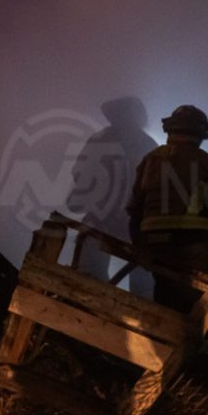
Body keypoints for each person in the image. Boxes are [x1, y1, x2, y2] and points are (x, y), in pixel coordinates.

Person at [127, 105, 208, 337]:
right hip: (196, 249)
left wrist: (141, 245)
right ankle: (200, 356)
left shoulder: (150, 161)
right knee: (202, 304)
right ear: (200, 134)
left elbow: (134, 209)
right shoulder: (206, 163)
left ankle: (162, 345)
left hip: (156, 247)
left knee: (166, 296)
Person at [68, 96, 158, 295]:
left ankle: (137, 306)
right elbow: (81, 173)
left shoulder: (147, 147)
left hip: (131, 222)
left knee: (143, 265)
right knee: (92, 262)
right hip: (112, 219)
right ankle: (93, 297)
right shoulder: (146, 145)